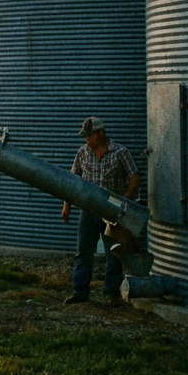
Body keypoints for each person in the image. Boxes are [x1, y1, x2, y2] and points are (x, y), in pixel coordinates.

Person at [61, 116, 141, 305]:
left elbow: (135, 177)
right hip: (89, 210)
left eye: (89, 135)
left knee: (114, 254)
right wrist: (66, 206)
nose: (86, 139)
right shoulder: (83, 153)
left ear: (101, 133)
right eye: (85, 136)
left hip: (113, 212)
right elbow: (72, 180)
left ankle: (111, 294)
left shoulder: (120, 152)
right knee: (83, 252)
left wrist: (125, 199)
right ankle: (80, 293)